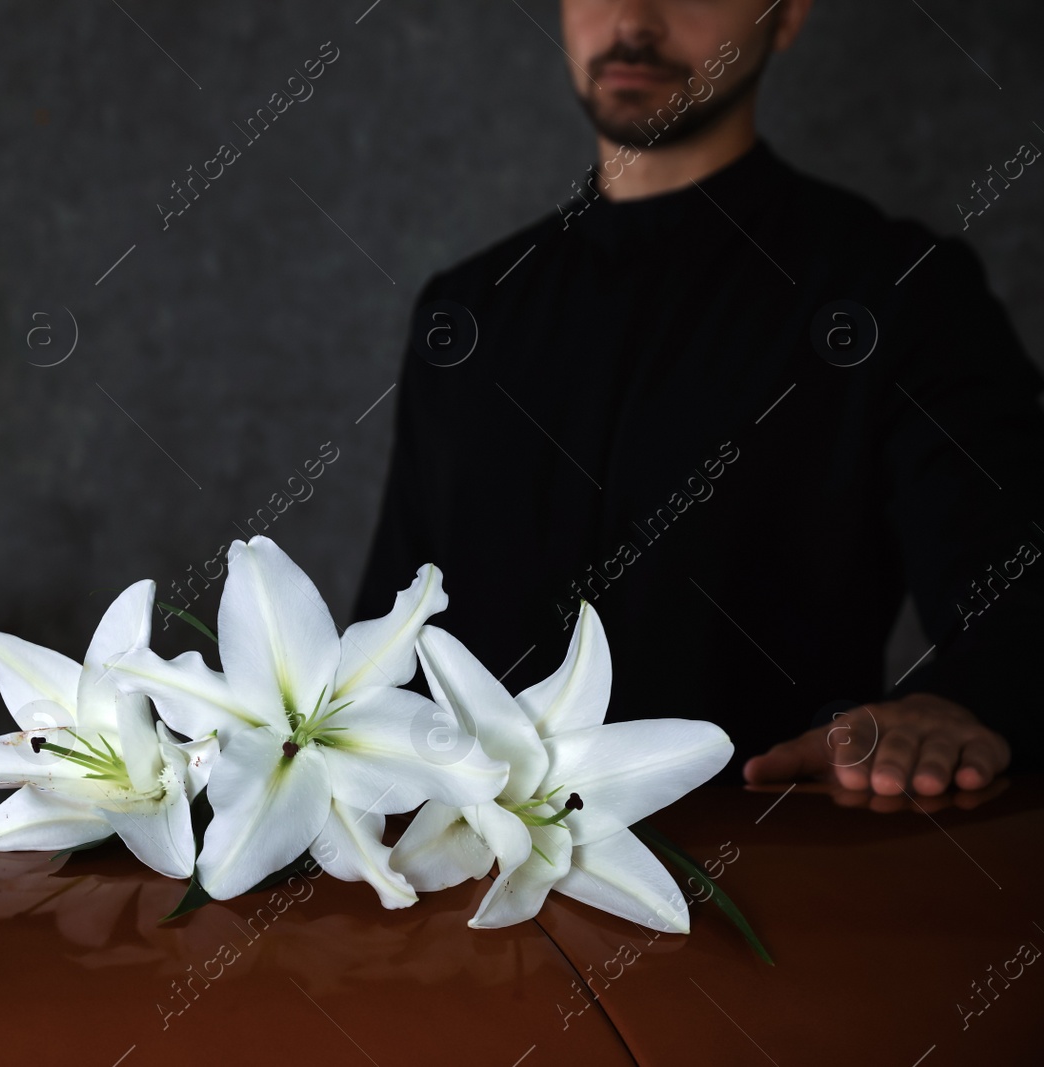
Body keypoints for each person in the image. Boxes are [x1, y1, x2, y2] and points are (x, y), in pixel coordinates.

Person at [355, 0, 1044, 797]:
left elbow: (1022, 604)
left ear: (787, 16)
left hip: (766, 888)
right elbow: (387, 644)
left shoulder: (896, 292)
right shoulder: (469, 312)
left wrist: (953, 710)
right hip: (458, 899)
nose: (634, 19)